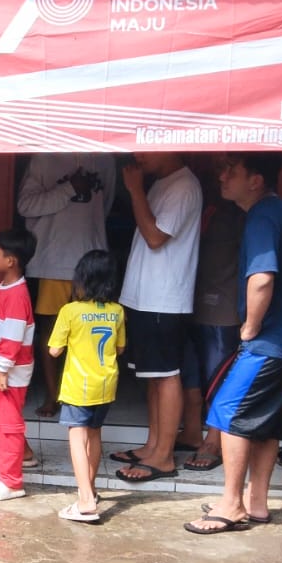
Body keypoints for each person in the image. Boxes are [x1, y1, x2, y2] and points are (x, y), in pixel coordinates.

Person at [186, 153, 282, 535]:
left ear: (256, 180)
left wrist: (249, 328)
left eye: (233, 171)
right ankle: (256, 503)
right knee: (266, 422)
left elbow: (261, 278)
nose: (223, 176)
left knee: (228, 411)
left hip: (272, 340)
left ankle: (231, 504)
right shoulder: (275, 212)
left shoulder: (262, 215)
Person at [113, 152, 202, 483]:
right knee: (153, 376)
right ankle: (153, 446)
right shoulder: (163, 182)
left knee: (166, 376)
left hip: (164, 300)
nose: (138, 155)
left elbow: (155, 237)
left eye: (146, 148)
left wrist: (135, 190)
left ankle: (163, 457)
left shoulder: (183, 185)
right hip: (146, 296)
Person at [16, 153, 115, 418]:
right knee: (53, 333)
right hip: (54, 260)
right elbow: (25, 205)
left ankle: (85, 395)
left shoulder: (105, 158)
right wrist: (69, 188)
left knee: (92, 330)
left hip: (92, 259)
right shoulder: (44, 158)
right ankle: (53, 394)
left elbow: (105, 205)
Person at [49, 250, 125, 522]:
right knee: (94, 435)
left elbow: (54, 350)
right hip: (106, 384)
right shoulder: (117, 311)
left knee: (77, 439)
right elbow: (120, 347)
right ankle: (90, 489)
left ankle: (85, 502)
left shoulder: (70, 311)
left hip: (78, 385)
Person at [180, 171, 245, 472]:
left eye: (229, 169)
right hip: (189, 299)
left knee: (218, 377)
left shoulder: (245, 215)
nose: (221, 175)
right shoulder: (206, 207)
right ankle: (193, 431)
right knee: (190, 372)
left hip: (224, 307)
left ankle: (213, 440)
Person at [0, 230, 38, 502]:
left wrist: (2, 370)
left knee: (7, 424)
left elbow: (12, 338)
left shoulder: (16, 295)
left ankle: (11, 482)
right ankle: (18, 458)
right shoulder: (6, 289)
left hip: (8, 374)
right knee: (1, 419)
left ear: (10, 261)